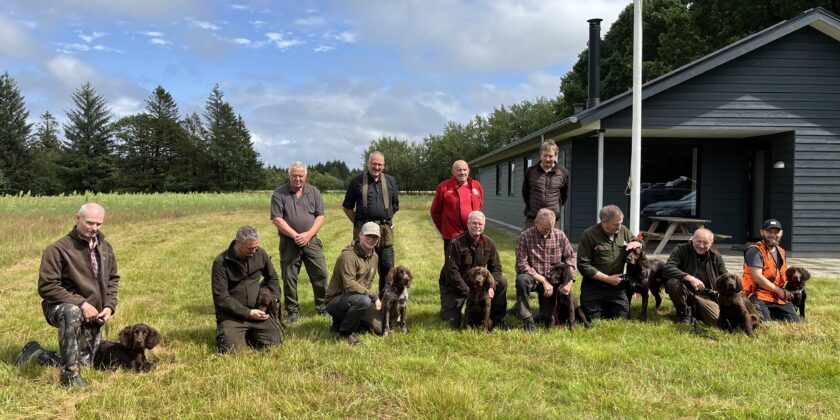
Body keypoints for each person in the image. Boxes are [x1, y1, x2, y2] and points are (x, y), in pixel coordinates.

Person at [13, 203, 120, 387]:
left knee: (86, 361)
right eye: (90, 223)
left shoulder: (105, 247)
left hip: (94, 313)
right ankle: (70, 376)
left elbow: (113, 279)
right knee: (72, 311)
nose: (94, 228)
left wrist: (109, 307)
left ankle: (37, 353)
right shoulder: (57, 249)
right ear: (77, 219)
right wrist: (82, 304)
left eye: (99, 224)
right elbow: (47, 287)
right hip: (61, 307)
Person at [270, 161, 329, 323]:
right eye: (294, 176)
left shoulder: (314, 192)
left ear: (306, 176)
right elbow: (276, 218)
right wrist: (296, 235)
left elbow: (320, 216)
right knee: (289, 277)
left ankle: (323, 308)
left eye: (301, 176)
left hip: (312, 241)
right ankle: (292, 312)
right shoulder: (279, 194)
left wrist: (308, 235)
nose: (298, 179)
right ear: (289, 176)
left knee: (321, 275)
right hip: (289, 243)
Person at [211, 225, 283, 353]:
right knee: (231, 350)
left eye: (256, 247)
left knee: (275, 342)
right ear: (238, 243)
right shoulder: (221, 263)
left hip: (259, 312)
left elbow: (273, 278)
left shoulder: (261, 254)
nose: (254, 251)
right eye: (250, 248)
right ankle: (234, 334)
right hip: (232, 316)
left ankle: (249, 335)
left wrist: (274, 297)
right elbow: (221, 298)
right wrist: (248, 313)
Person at [439, 211, 508, 330]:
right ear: (467, 224)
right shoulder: (455, 243)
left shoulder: (489, 243)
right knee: (451, 323)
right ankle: (451, 309)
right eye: (474, 223)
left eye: (480, 224)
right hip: (455, 284)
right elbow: (452, 272)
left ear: (484, 225)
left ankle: (498, 319)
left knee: (502, 281)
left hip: (479, 283)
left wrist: (492, 286)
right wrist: (468, 291)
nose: (477, 226)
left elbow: (496, 268)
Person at [342, 151, 400, 293]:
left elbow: (395, 206)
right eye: (374, 164)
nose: (377, 167)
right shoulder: (356, 181)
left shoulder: (391, 181)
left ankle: (384, 301)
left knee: (388, 268)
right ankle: (359, 300)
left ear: (384, 166)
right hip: (365, 229)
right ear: (368, 164)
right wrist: (359, 224)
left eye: (380, 164)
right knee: (360, 267)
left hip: (385, 232)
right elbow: (347, 207)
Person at [513, 208, 577, 331]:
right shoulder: (525, 236)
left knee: (546, 317)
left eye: (550, 228)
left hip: (554, 280)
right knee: (522, 280)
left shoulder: (560, 235)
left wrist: (569, 281)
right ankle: (527, 319)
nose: (547, 232)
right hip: (534, 278)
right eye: (544, 228)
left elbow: (570, 258)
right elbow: (521, 263)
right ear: (536, 222)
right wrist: (543, 280)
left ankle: (540, 313)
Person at [577, 205, 641, 320]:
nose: (619, 226)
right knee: (591, 319)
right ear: (604, 222)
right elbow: (583, 265)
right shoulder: (589, 235)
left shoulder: (623, 230)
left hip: (616, 285)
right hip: (594, 284)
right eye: (616, 224)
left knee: (622, 317)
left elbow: (637, 242)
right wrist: (606, 278)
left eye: (621, 223)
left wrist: (637, 243)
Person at [325, 222, 384, 345]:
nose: (371, 240)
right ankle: (344, 333)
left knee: (380, 329)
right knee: (364, 301)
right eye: (368, 236)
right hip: (337, 299)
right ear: (360, 235)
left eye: (375, 237)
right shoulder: (348, 256)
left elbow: (369, 282)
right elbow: (349, 285)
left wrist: (370, 299)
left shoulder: (375, 257)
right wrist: (372, 296)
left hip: (359, 297)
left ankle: (340, 324)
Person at [663, 228, 727, 324]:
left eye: (705, 243)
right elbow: (668, 268)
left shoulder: (716, 256)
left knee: (716, 321)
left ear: (711, 243)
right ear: (693, 239)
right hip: (684, 291)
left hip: (706, 295)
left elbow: (725, 276)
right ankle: (684, 313)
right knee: (673, 283)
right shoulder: (681, 249)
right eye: (699, 241)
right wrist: (689, 278)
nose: (701, 246)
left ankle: (694, 311)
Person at [742, 219, 800, 322]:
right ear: (762, 232)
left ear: (781, 233)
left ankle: (772, 313)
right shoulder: (754, 251)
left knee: (796, 322)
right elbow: (757, 277)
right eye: (769, 232)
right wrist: (780, 291)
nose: (773, 235)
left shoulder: (781, 252)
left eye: (776, 232)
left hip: (776, 297)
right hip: (757, 295)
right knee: (764, 324)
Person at [430, 160, 484, 254]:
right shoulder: (443, 187)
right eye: (459, 170)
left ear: (469, 170)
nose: (462, 172)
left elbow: (479, 208)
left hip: (473, 235)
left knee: (473, 266)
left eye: (464, 169)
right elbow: (435, 212)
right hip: (452, 236)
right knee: (452, 267)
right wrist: (445, 229)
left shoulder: (476, 185)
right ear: (453, 172)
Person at [521, 140, 570, 230]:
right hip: (533, 220)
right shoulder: (530, 171)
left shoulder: (563, 173)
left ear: (555, 156)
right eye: (545, 155)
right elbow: (525, 193)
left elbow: (564, 196)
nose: (547, 159)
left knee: (552, 244)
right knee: (526, 243)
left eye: (550, 156)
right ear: (541, 155)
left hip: (553, 221)